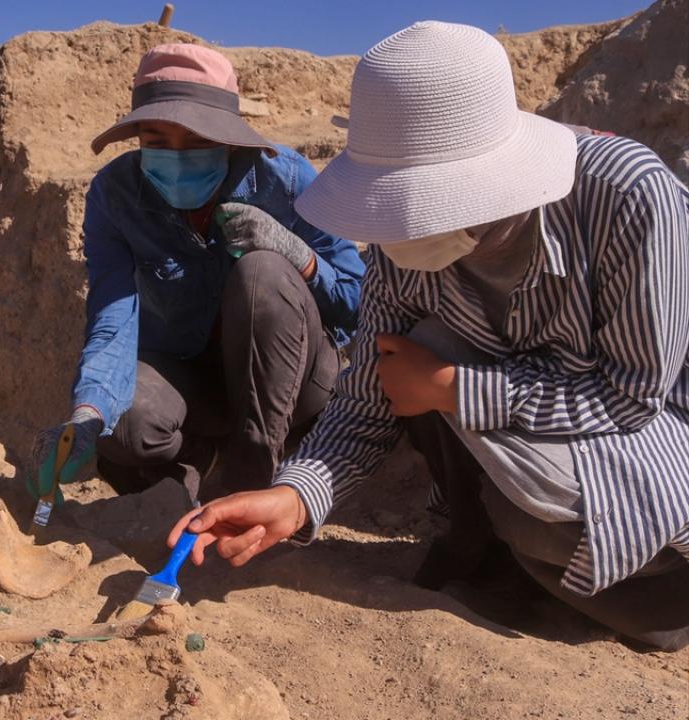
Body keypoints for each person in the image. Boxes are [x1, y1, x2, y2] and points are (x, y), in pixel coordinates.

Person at [171, 22, 689, 651]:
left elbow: (633, 396)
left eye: (428, 201)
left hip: (652, 433)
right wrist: (295, 496)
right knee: (415, 357)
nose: (405, 224)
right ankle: (490, 555)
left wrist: (456, 389)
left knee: (535, 514)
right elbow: (366, 399)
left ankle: (662, 603)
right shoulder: (401, 244)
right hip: (534, 428)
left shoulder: (626, 196)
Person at [28, 44, 363, 505]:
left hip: (292, 386)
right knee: (121, 424)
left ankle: (252, 474)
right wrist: (88, 412)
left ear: (227, 138)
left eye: (198, 139)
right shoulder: (116, 193)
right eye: (158, 142)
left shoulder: (284, 180)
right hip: (192, 379)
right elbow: (113, 316)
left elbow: (356, 301)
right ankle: (198, 461)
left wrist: (298, 256)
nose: (178, 156)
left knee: (262, 272)